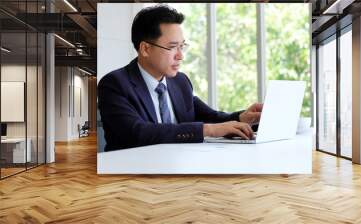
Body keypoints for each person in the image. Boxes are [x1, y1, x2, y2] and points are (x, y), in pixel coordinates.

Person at [98, 4, 262, 151]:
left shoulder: (180, 81)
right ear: (146, 49)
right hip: (131, 175)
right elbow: (138, 133)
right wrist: (208, 130)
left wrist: (242, 118)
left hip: (179, 167)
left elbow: (211, 116)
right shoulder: (114, 84)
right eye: (172, 47)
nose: (180, 56)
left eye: (182, 46)